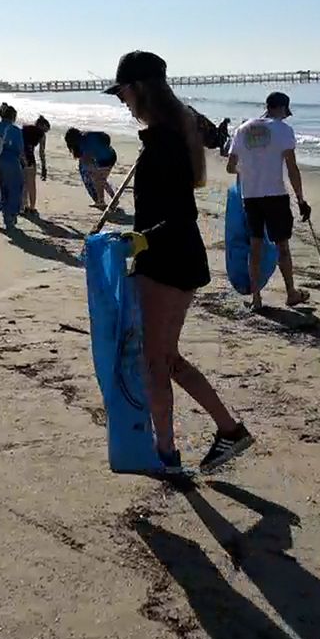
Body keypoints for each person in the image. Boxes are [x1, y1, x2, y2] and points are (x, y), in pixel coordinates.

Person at [104, 50, 253, 475]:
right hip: (176, 254)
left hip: (167, 259)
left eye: (123, 93)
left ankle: (166, 453)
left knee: (155, 362)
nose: (121, 101)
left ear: (139, 89)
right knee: (165, 358)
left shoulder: (166, 141)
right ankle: (228, 430)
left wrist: (140, 239)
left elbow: (177, 213)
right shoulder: (171, 132)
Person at [226, 92, 311, 310]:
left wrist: (249, 171)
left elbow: (230, 167)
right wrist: (301, 199)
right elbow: (292, 168)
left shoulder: (242, 129)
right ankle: (291, 293)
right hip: (275, 195)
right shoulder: (283, 130)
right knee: (282, 245)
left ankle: (256, 299)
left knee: (255, 247)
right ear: (282, 108)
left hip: (250, 196)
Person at [63, 127, 120, 208]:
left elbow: (87, 159)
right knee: (101, 179)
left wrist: (90, 169)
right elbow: (106, 137)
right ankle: (114, 199)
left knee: (98, 180)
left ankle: (102, 201)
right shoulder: (87, 134)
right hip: (111, 153)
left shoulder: (82, 143)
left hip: (105, 159)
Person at [21, 116, 51, 216]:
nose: (46, 131)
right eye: (47, 128)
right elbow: (42, 153)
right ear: (42, 126)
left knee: (23, 183)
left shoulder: (24, 129)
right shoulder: (41, 134)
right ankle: (32, 207)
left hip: (18, 158)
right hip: (29, 158)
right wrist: (44, 167)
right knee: (31, 185)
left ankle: (23, 206)